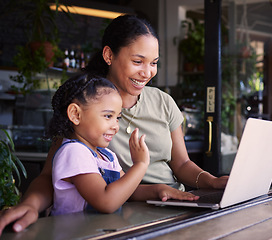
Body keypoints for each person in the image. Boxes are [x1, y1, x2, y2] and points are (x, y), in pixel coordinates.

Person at [0, 14, 228, 234]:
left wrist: (212, 181)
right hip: (120, 216)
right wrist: (30, 205)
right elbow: (50, 176)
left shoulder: (163, 101)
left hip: (175, 207)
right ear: (109, 56)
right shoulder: (86, 106)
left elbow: (182, 163)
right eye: (138, 61)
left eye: (154, 63)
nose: (147, 72)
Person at [48, 73, 150, 215]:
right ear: (76, 115)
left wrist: (161, 191)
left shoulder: (107, 156)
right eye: (108, 116)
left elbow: (128, 191)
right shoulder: (74, 152)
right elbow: (106, 202)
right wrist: (140, 164)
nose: (116, 126)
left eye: (118, 118)